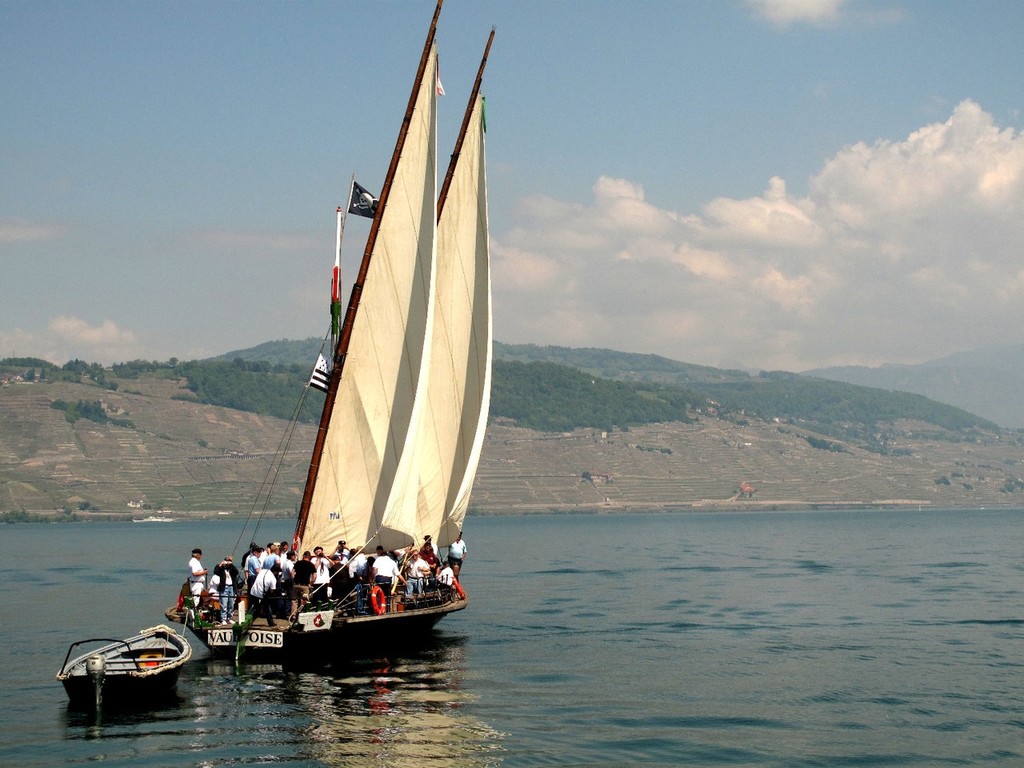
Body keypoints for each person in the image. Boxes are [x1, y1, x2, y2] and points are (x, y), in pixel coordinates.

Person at [250, 562, 279, 627]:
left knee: (255, 608)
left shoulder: (263, 571)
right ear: (276, 572)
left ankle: (250, 621)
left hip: (253, 591)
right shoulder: (273, 579)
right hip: (262, 594)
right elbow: (272, 590)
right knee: (267, 608)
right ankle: (271, 623)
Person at [214, 555, 240, 624]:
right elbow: (216, 572)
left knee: (231, 604)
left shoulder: (231, 569)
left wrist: (231, 565)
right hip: (224, 587)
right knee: (224, 604)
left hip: (231, 587)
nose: (228, 562)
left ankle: (229, 618)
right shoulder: (221, 569)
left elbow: (236, 572)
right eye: (227, 561)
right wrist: (221, 564)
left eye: (229, 561)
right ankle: (223, 619)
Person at [290, 550, 316, 621]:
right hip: (305, 585)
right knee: (304, 600)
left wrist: (293, 580)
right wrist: (311, 583)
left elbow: (292, 572)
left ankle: (293, 616)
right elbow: (314, 575)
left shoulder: (298, 563)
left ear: (304, 556)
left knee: (294, 601)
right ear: (309, 557)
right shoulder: (311, 565)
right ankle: (302, 615)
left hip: (296, 584)